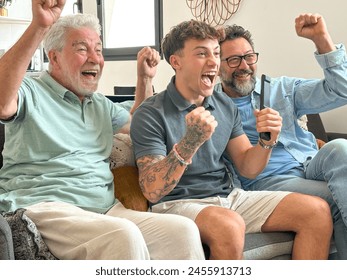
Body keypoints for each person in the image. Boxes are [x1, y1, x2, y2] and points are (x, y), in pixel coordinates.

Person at [0, 0, 205, 260]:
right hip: (45, 206)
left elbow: (140, 125)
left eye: (98, 49)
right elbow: (2, 101)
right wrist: (39, 26)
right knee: (123, 236)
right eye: (82, 49)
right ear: (54, 57)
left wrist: (145, 79)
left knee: (182, 231)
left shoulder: (100, 105)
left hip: (104, 210)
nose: (95, 58)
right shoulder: (31, 90)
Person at [130, 19, 333, 260]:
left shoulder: (224, 105)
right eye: (202, 53)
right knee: (229, 225)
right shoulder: (150, 112)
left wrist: (267, 141)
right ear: (176, 61)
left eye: (216, 53)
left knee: (317, 211)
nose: (213, 61)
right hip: (176, 204)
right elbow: (152, 191)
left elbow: (248, 168)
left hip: (229, 197)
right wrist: (189, 143)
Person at [216, 13, 347, 259]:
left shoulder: (281, 88)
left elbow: (341, 91)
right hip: (268, 180)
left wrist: (322, 41)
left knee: (340, 147)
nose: (244, 65)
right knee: (335, 199)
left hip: (310, 164)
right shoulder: (213, 105)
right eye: (233, 60)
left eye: (248, 57)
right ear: (217, 64)